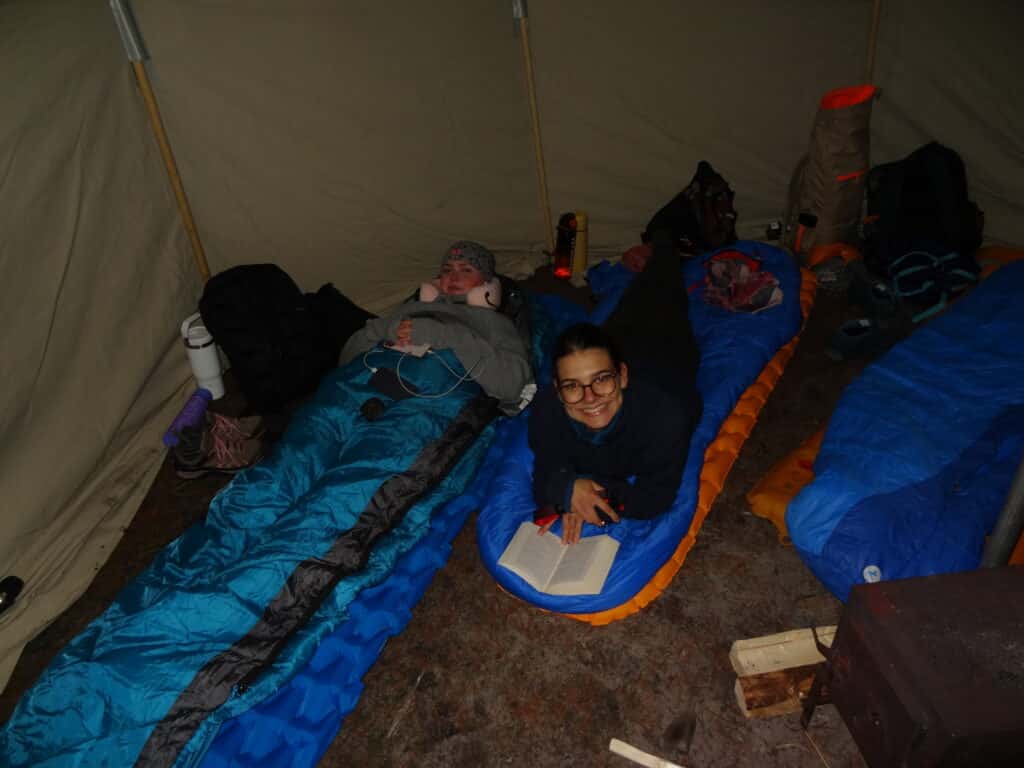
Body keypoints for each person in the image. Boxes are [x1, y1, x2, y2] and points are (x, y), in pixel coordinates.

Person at [528, 230, 702, 543]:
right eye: (572, 385)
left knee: (664, 287)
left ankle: (665, 242)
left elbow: (655, 498)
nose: (590, 397)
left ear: (621, 376)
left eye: (601, 380)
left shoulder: (665, 417)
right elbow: (545, 470)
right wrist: (569, 491)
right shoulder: (547, 409)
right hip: (619, 337)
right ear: (557, 389)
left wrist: (587, 490)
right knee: (628, 305)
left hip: (666, 350)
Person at [340, 241, 535, 414]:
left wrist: (442, 335)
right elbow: (346, 360)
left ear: (486, 281)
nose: (454, 277)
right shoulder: (411, 308)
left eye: (466, 270)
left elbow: (514, 387)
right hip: (361, 388)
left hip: (425, 405)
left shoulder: (493, 321)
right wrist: (388, 330)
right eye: (447, 270)